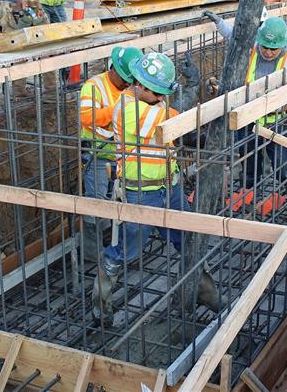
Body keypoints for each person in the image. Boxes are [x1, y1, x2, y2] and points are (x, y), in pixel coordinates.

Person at [92, 52, 223, 325]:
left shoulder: (152, 102)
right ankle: (101, 303)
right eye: (158, 93)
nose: (162, 98)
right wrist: (189, 88)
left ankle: (207, 295)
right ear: (139, 85)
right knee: (126, 250)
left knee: (189, 240)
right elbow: (171, 120)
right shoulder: (126, 109)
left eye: (165, 93)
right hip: (141, 194)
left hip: (170, 188)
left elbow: (169, 114)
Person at [80, 45, 142, 271]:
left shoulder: (132, 88)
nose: (128, 84)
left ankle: (119, 252)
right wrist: (120, 108)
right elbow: (87, 118)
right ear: (113, 68)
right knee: (96, 206)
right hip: (98, 156)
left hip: (124, 158)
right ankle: (91, 256)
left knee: (123, 206)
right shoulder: (93, 87)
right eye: (126, 79)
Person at [237, 17, 287, 196]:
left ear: (282, 45)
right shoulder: (250, 54)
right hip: (248, 121)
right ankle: (249, 195)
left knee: (282, 164)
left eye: (273, 48)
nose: (269, 53)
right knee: (248, 163)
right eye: (265, 47)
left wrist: (274, 104)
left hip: (275, 124)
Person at [202, 6, 269, 41]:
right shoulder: (248, 36)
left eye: (260, 24)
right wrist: (218, 21)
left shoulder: (266, 42)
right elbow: (231, 34)